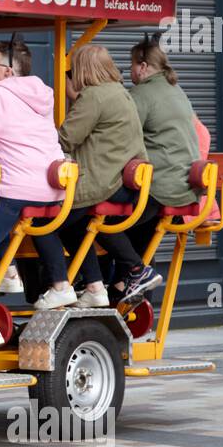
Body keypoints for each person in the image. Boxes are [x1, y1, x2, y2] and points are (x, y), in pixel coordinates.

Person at [0, 38, 76, 357]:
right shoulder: (42, 95)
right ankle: (9, 272)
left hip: (15, 190)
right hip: (49, 191)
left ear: (8, 70)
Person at [54, 45, 159, 307]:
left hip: (101, 182)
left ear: (83, 69)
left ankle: (130, 271)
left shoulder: (93, 96)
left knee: (52, 221)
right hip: (121, 181)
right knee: (78, 224)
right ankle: (97, 285)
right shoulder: (120, 93)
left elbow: (66, 138)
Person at [121, 36, 202, 287]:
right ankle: (135, 288)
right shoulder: (176, 90)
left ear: (143, 67)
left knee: (104, 224)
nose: (130, 70)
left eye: (132, 64)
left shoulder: (142, 93)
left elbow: (121, 136)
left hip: (160, 188)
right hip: (186, 187)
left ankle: (118, 281)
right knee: (143, 237)